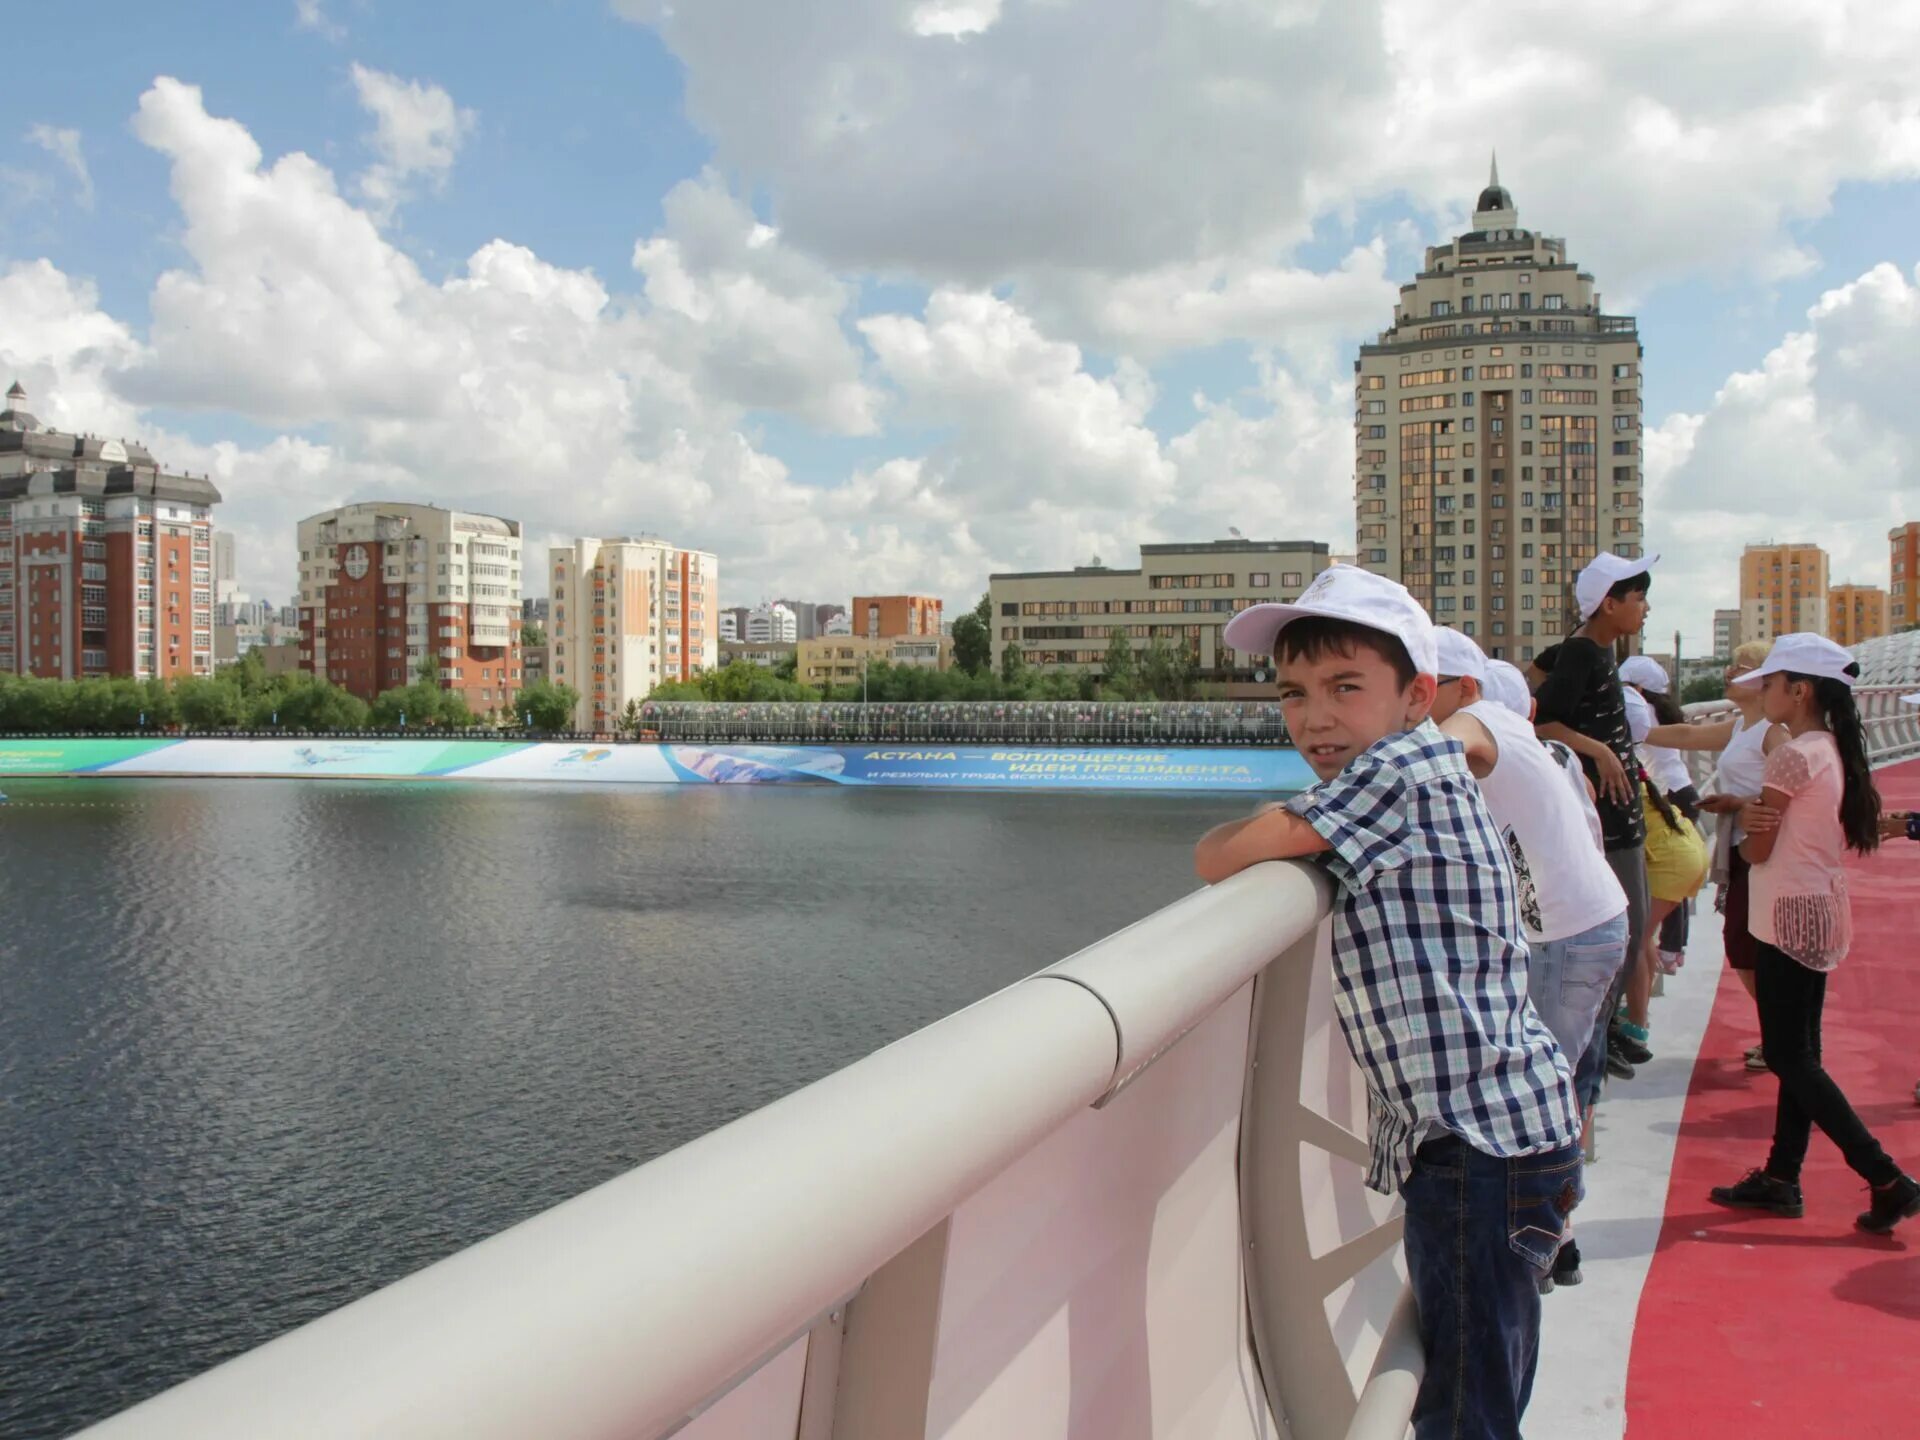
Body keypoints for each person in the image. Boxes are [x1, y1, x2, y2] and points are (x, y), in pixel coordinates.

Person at [1194, 567, 1580, 1439]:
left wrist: (1259, 819)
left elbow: (1221, 857)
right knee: (1478, 1385)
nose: (1314, 716)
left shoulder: (1398, 769)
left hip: (1479, 1154)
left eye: (1344, 687)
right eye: (1293, 693)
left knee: (1461, 1411)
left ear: (1417, 696)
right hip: (1505, 1139)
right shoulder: (1421, 763)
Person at [1431, 631, 1628, 1292]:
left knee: (1542, 1093)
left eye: (1426, 689)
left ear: (1466, 689)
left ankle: (1548, 1245)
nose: (1415, 705)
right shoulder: (1526, 747)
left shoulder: (1479, 726)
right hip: (1581, 929)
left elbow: (1425, 768)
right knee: (1558, 1084)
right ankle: (1551, 1237)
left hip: (1568, 939)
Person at [1707, 634, 1920, 1234]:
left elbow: (1760, 848)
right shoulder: (1831, 750)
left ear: (1798, 691)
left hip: (1784, 915)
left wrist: (1744, 826)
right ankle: (1782, 1175)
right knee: (1802, 1052)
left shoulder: (1792, 755)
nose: (1762, 690)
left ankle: (1886, 1177)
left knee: (1787, 1053)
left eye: (1771, 682)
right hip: (1819, 912)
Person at [1532, 553, 1655, 1086]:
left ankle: (1601, 1037)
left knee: (1634, 930)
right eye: (1638, 597)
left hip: (1621, 815)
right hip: (1604, 821)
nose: (1645, 608)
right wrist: (1598, 752)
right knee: (1624, 933)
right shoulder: (1583, 653)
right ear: (1610, 604)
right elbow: (1544, 721)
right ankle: (1594, 1044)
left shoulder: (1592, 651)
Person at [1641, 641, 1786, 1069]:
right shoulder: (1743, 725)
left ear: (1765, 679)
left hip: (1764, 853)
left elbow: (1791, 791)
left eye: (1739, 667)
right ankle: (1779, 1035)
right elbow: (1687, 735)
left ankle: (1784, 1036)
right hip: (1744, 849)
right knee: (1744, 946)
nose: (1728, 672)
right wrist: (1628, 730)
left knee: (1749, 947)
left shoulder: (1773, 732)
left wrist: (1738, 803)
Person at [1612, 661, 1709, 1058]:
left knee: (1632, 942)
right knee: (1642, 936)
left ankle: (1635, 1026)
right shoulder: (1650, 716)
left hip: (1671, 849)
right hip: (1682, 835)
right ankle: (1640, 1016)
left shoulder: (1631, 727)